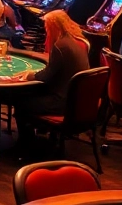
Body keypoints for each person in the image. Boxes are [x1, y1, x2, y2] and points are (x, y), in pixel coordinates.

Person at [12, 10, 90, 153]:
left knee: (20, 101)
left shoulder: (61, 46)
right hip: (78, 102)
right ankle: (37, 138)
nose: (46, 31)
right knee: (33, 94)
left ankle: (26, 145)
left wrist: (29, 75)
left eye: (47, 27)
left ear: (54, 26)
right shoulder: (75, 41)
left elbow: (46, 76)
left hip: (62, 103)